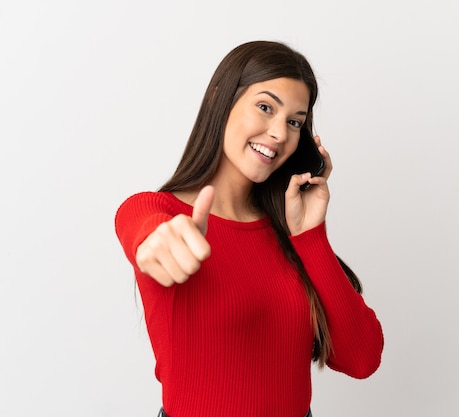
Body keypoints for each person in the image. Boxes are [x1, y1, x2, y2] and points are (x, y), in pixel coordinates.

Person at [114, 40, 384, 417]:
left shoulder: (288, 231)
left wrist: (311, 237)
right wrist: (155, 239)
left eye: (294, 122)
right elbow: (138, 220)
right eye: (265, 107)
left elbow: (362, 359)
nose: (279, 133)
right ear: (219, 100)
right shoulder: (163, 213)